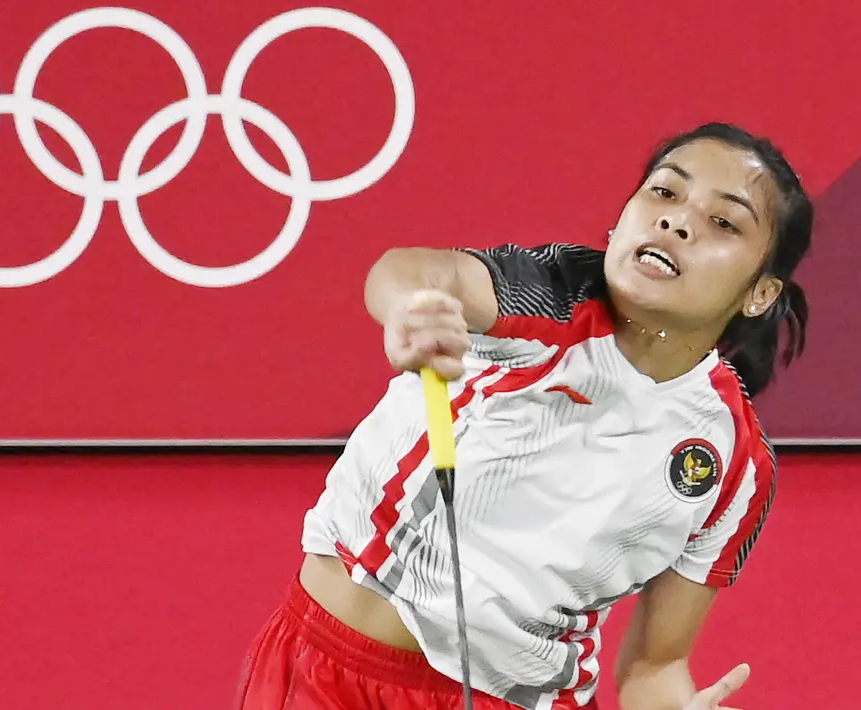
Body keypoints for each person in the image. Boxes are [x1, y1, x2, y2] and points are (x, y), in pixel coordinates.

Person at [235, 122, 812, 710]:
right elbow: (418, 271)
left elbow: (654, 668)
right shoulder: (550, 295)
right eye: (664, 192)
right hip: (330, 674)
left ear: (760, 294)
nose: (677, 220)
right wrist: (413, 310)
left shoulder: (734, 462)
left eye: (724, 222)